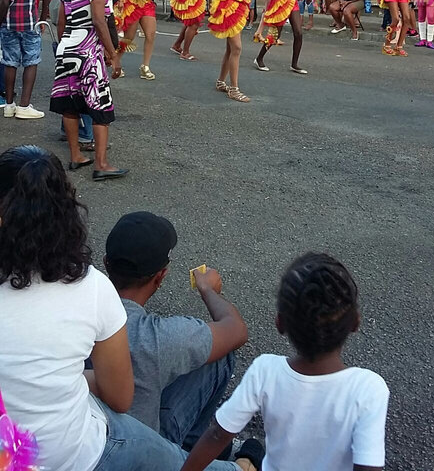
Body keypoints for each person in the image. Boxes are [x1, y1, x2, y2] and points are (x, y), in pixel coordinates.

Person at [0, 146, 256, 471]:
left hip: (11, 448)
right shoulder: (92, 290)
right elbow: (120, 398)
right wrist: (207, 289)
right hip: (78, 453)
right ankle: (242, 465)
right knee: (173, 456)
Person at [179, 252, 389, 471]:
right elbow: (368, 467)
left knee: (251, 451)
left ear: (280, 324)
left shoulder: (265, 371)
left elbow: (216, 435)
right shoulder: (369, 389)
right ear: (355, 323)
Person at [104, 212, 248, 451]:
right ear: (160, 277)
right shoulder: (158, 338)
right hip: (145, 452)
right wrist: (208, 290)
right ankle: (193, 451)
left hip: (91, 439)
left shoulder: (79, 309)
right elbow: (237, 331)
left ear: (106, 262)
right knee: (219, 356)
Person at [50, 0, 128, 180]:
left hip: (67, 49)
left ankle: (75, 156)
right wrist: (112, 54)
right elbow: (99, 21)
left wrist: (67, 45)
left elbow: (62, 23)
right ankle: (101, 164)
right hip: (88, 52)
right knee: (99, 106)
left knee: (70, 104)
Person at [0, 0, 50, 119]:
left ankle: (9, 105)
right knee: (31, 62)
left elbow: (4, 1)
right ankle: (24, 105)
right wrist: (43, 17)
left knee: (10, 63)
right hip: (30, 23)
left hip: (9, 24)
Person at [209, 0, 261, 102]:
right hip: (228, 6)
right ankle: (234, 89)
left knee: (230, 49)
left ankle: (221, 81)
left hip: (240, 5)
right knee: (236, 48)